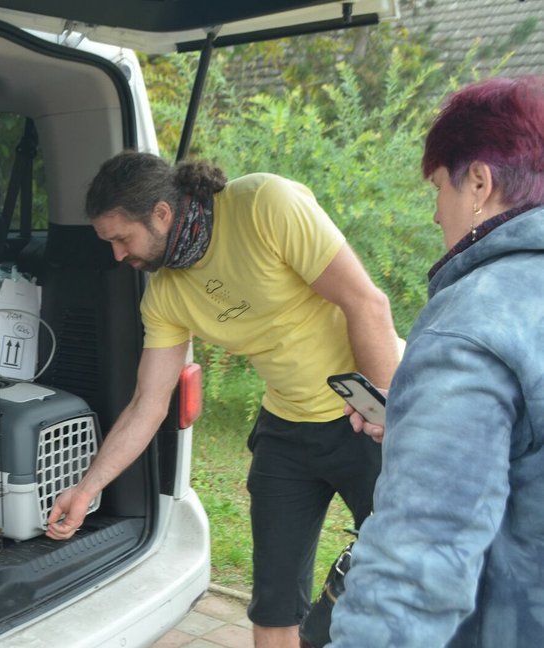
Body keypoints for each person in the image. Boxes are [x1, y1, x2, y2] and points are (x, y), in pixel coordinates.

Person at [45, 150, 402, 648]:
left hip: (366, 418)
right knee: (274, 601)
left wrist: (392, 418)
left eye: (122, 239)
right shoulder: (165, 294)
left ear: (162, 214)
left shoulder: (264, 205)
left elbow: (366, 302)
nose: (118, 256)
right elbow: (148, 404)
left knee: (401, 582)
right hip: (287, 431)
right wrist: (87, 490)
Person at [328, 75, 544, 647]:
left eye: (438, 191)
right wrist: (413, 424)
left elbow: (420, 558)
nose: (434, 217)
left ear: (478, 182)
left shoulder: (471, 324)